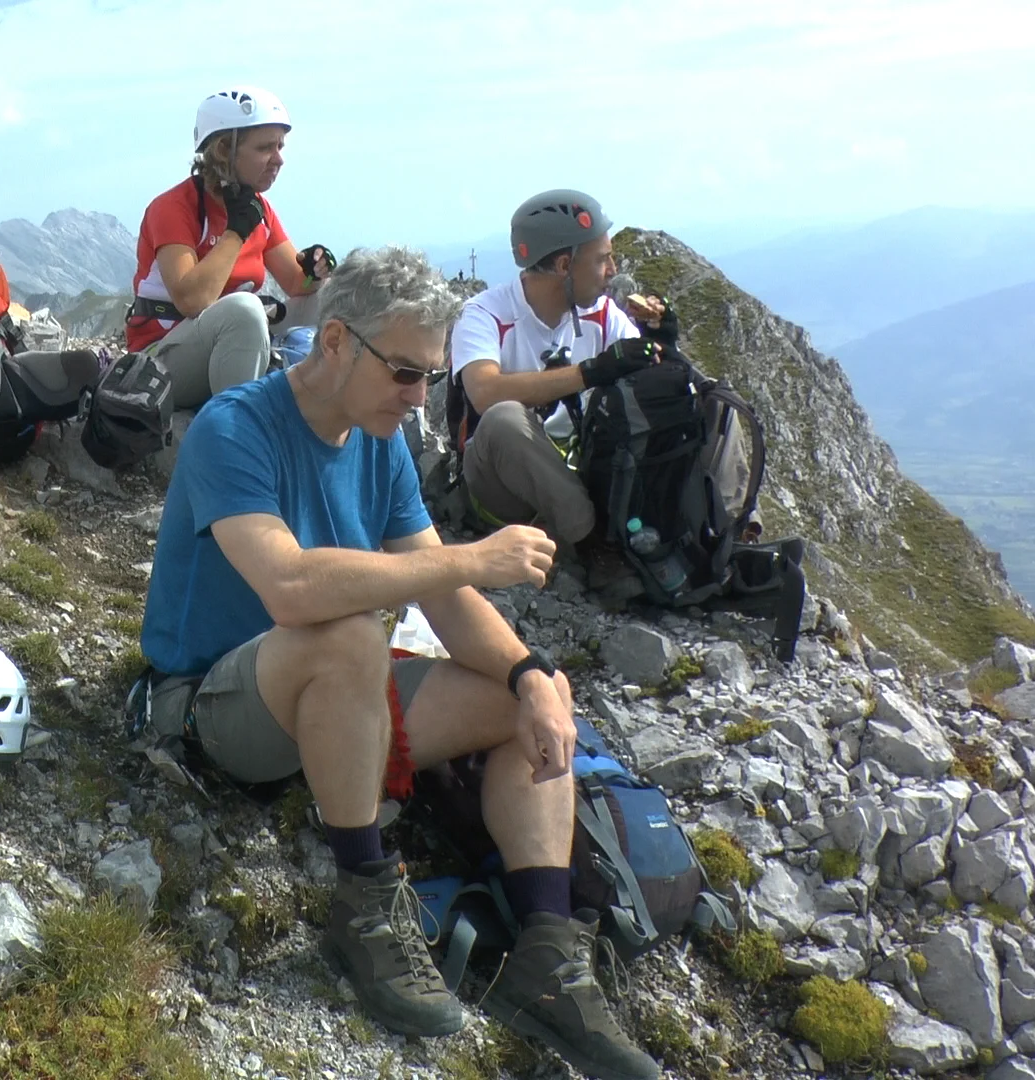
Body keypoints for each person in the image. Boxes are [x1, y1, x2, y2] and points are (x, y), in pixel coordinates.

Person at [139, 246, 660, 1080]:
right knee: (348, 631)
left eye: (431, 375)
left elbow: (450, 605)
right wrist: (466, 559)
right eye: (408, 373)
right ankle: (367, 898)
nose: (422, 397)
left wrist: (531, 676)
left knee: (523, 696)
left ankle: (549, 957)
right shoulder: (232, 428)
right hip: (217, 706)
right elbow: (290, 585)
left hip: (331, 700)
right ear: (336, 341)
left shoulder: (375, 438)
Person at [445, 189, 663, 549]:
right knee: (504, 419)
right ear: (564, 266)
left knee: (703, 394)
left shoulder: (604, 315)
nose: (612, 271)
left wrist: (663, 344)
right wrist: (586, 374)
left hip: (584, 470)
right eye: (602, 260)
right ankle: (595, 544)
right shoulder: (484, 314)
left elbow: (650, 380)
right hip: (503, 489)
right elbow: (484, 392)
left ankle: (724, 533)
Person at [125, 86, 338, 409]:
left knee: (336, 298)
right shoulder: (174, 207)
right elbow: (191, 299)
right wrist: (236, 233)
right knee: (245, 310)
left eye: (280, 146)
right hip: (160, 361)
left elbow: (297, 284)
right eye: (265, 148)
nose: (279, 159)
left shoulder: (259, 210)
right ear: (224, 149)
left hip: (230, 342)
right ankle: (237, 435)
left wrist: (315, 270)